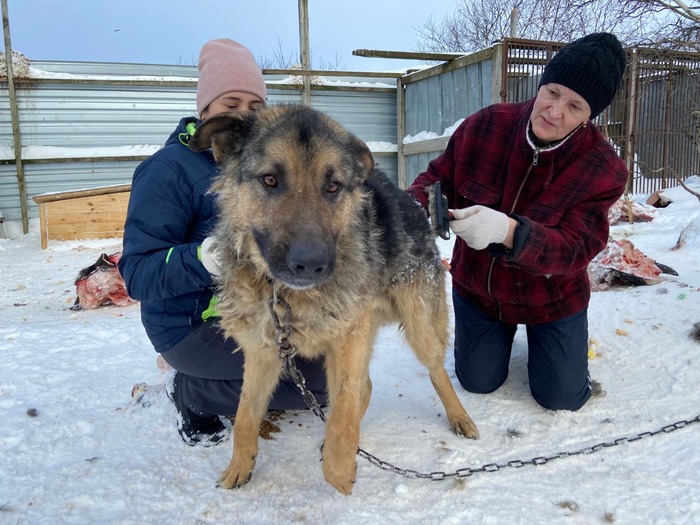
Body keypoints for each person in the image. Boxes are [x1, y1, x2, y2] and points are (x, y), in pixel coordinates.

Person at [118, 38, 328, 446]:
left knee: (331, 361)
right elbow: (138, 274)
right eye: (230, 104)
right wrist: (207, 257)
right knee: (317, 384)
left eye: (255, 106)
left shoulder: (266, 164)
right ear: (206, 110)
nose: (245, 117)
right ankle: (192, 391)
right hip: (191, 324)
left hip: (253, 309)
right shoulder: (168, 171)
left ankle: (213, 376)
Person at [407, 33, 628, 412]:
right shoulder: (487, 125)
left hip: (551, 300)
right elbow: (435, 179)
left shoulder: (604, 169)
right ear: (541, 83)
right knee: (477, 382)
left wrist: (508, 233)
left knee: (561, 399)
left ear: (591, 116)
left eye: (575, 106)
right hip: (480, 291)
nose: (555, 111)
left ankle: (552, 347)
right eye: (553, 92)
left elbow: (576, 248)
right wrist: (418, 207)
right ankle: (499, 337)